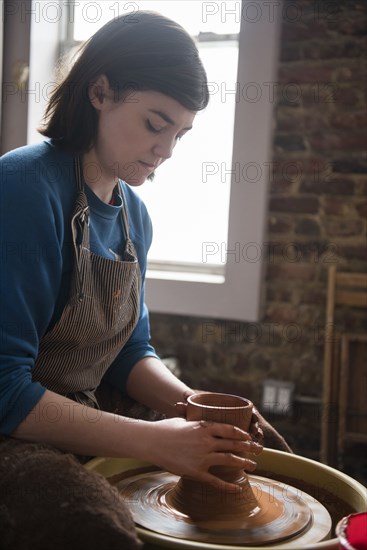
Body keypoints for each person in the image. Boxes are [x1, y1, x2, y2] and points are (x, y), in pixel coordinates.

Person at [0, 11, 290, 548]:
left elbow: (130, 352)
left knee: (254, 443)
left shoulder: (135, 213)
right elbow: (4, 389)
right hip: (15, 425)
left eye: (180, 134)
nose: (167, 151)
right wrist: (160, 442)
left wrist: (190, 407)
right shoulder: (22, 189)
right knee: (89, 525)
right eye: (156, 124)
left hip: (84, 400)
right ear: (101, 92)